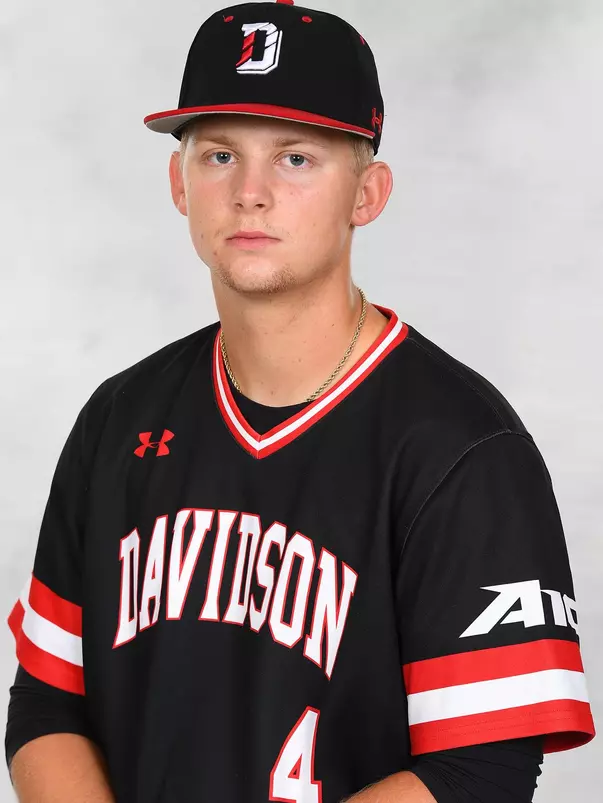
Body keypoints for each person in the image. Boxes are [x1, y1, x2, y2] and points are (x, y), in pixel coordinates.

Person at [4, 1, 595, 801]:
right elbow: (46, 701)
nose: (249, 193)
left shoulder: (461, 448)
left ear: (368, 193)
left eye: (295, 159)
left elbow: (478, 770)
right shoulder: (118, 418)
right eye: (218, 156)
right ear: (179, 183)